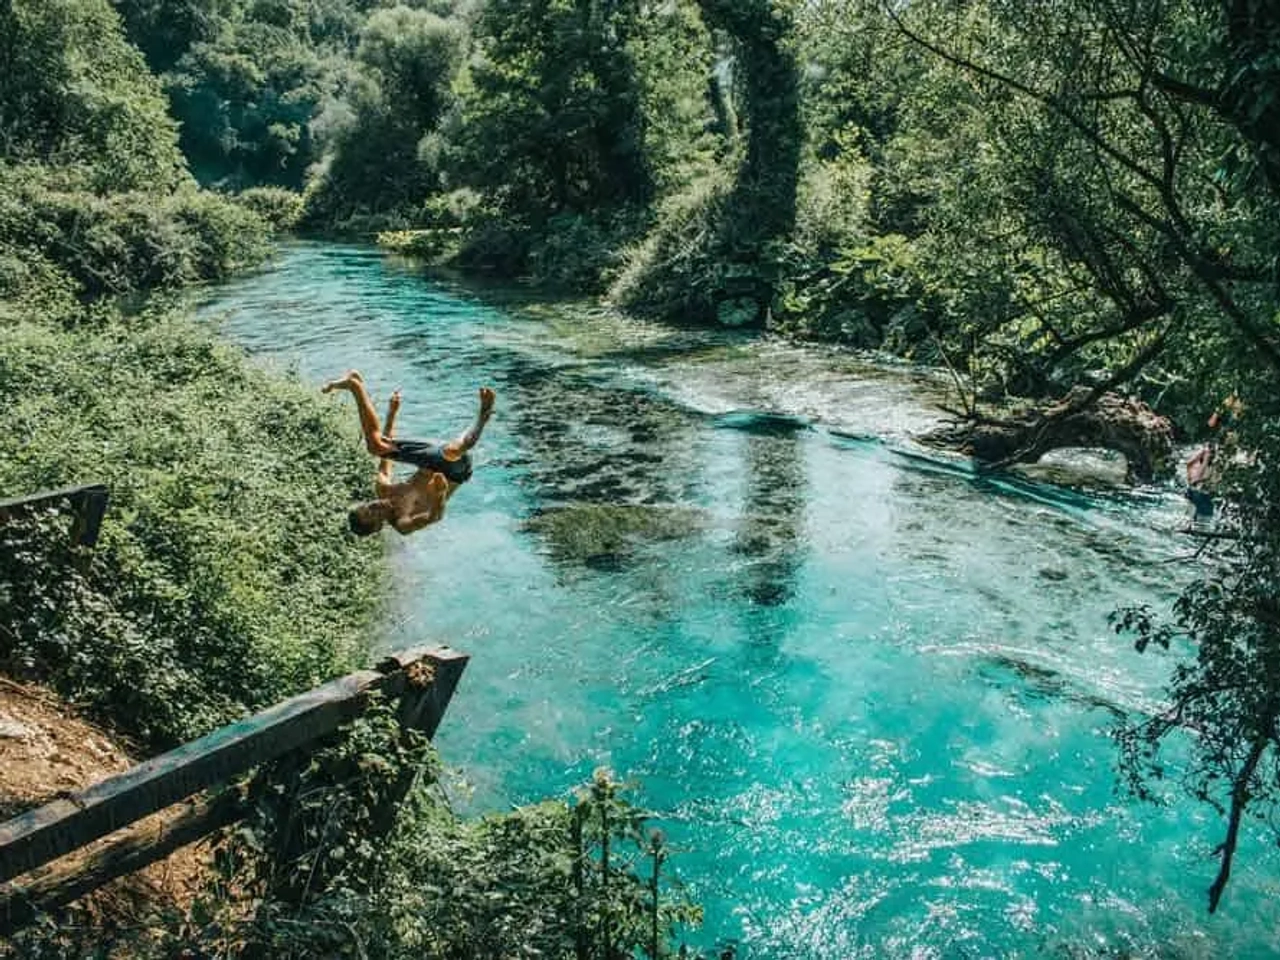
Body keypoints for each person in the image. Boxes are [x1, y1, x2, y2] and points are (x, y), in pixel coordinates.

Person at [323, 370, 495, 536]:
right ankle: (482, 417)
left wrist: (392, 413)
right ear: (377, 527)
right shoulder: (401, 523)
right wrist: (440, 493)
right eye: (371, 514)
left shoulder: (383, 490)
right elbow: (433, 517)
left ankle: (354, 384)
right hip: (454, 473)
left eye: (367, 507)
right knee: (461, 448)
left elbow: (386, 455)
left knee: (376, 447)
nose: (374, 506)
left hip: (429, 461)